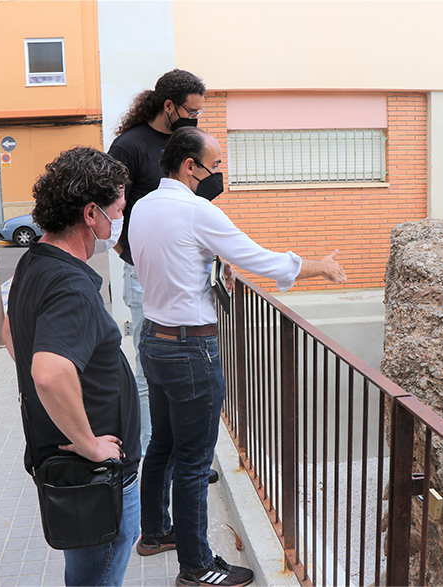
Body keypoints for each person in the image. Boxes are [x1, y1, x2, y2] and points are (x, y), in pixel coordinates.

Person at [129, 127, 346, 587]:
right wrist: (320, 266)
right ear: (190, 166)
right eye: (217, 164)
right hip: (190, 348)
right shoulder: (197, 211)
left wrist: (211, 262)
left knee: (163, 444)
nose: (220, 173)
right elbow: (262, 259)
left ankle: (154, 532)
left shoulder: (144, 205)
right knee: (192, 461)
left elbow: (165, 257)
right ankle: (196, 565)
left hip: (153, 337)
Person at [2, 147, 140, 586]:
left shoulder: (36, 261)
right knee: (96, 574)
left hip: (76, 471)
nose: (122, 214)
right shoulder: (69, 284)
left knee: (86, 569)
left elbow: (11, 331)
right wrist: (88, 442)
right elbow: (48, 371)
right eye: (118, 206)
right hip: (93, 472)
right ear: (91, 212)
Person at [107, 68, 207, 456]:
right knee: (151, 373)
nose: (195, 118)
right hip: (145, 274)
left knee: (187, 367)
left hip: (188, 273)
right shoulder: (129, 146)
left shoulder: (189, 142)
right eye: (190, 110)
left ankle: (185, 455)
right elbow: (110, 209)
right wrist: (130, 259)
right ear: (168, 105)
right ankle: (152, 456)